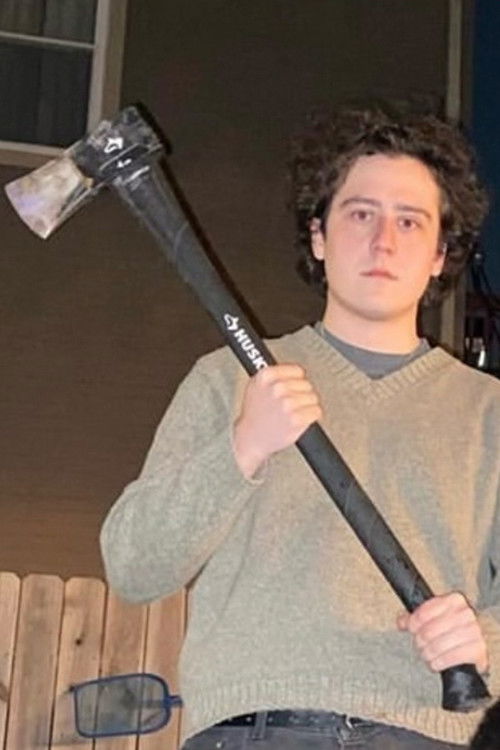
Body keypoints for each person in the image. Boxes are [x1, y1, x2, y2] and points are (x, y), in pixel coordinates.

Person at [100, 102, 500, 750]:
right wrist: (243, 447)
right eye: (360, 214)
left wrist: (484, 641)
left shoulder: (489, 414)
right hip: (250, 732)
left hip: (426, 733)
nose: (383, 241)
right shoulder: (227, 380)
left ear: (439, 255)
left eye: (410, 221)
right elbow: (133, 564)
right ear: (319, 237)